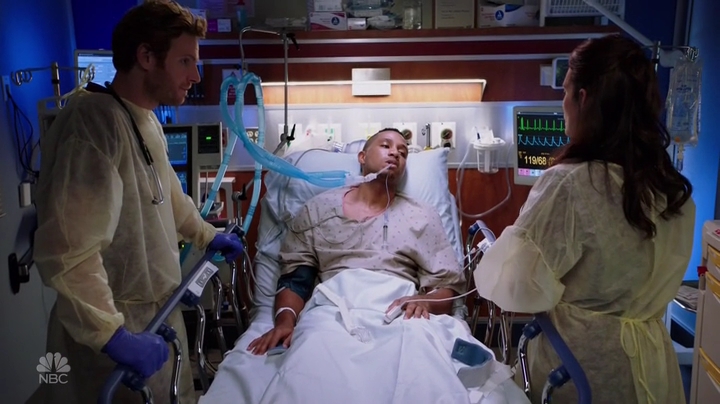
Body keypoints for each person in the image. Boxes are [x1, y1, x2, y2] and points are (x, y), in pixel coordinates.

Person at [28, 1, 243, 403]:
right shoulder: (93, 125)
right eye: (185, 62)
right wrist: (113, 336)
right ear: (146, 56)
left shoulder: (144, 118)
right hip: (108, 334)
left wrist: (206, 234)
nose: (195, 77)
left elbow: (169, 197)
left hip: (156, 316)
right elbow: (69, 252)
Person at [474, 34, 696, 404]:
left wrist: (501, 254)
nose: (562, 103)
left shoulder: (571, 184)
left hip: (583, 371)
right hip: (654, 366)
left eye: (564, 91)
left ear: (583, 98)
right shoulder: (673, 191)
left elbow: (515, 289)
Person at [247, 128, 467, 355]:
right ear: (362, 157)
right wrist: (285, 322)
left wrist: (425, 302)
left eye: (403, 152)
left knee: (418, 357)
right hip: (332, 315)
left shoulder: (421, 216)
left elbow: (445, 286)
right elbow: (296, 280)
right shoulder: (319, 210)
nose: (395, 153)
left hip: (398, 316)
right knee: (313, 357)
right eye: (386, 146)